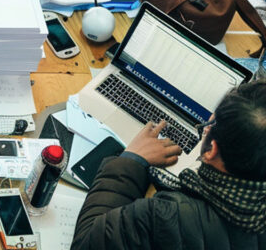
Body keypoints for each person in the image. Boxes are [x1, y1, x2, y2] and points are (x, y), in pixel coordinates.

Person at [71, 81, 266, 249]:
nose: (205, 129)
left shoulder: (164, 216)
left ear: (211, 150)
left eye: (209, 126)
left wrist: (132, 159)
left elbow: (85, 243)